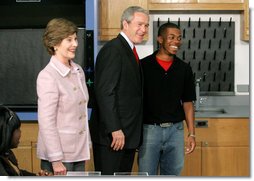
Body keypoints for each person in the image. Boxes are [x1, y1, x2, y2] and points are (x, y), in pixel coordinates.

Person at [89, 6, 149, 175]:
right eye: (139, 24)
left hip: (127, 135)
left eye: (146, 25)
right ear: (125, 23)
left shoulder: (128, 50)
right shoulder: (113, 50)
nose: (143, 29)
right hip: (113, 137)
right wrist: (115, 129)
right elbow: (105, 92)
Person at [138, 22, 196, 176]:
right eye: (171, 37)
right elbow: (135, 101)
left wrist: (191, 133)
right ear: (160, 39)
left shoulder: (184, 69)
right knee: (146, 175)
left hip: (175, 132)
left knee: (172, 176)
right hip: (149, 131)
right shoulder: (143, 66)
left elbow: (188, 103)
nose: (176, 41)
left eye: (179, 38)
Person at [36, 18, 90, 176]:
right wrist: (56, 159)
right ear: (55, 44)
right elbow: (47, 122)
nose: (75, 44)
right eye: (69, 40)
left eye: (75, 39)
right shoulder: (48, 76)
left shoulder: (77, 70)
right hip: (59, 156)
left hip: (79, 151)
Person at [0, 105, 51, 176]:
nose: (20, 132)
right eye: (17, 130)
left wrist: (37, 176)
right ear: (6, 132)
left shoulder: (7, 153)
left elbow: (18, 173)